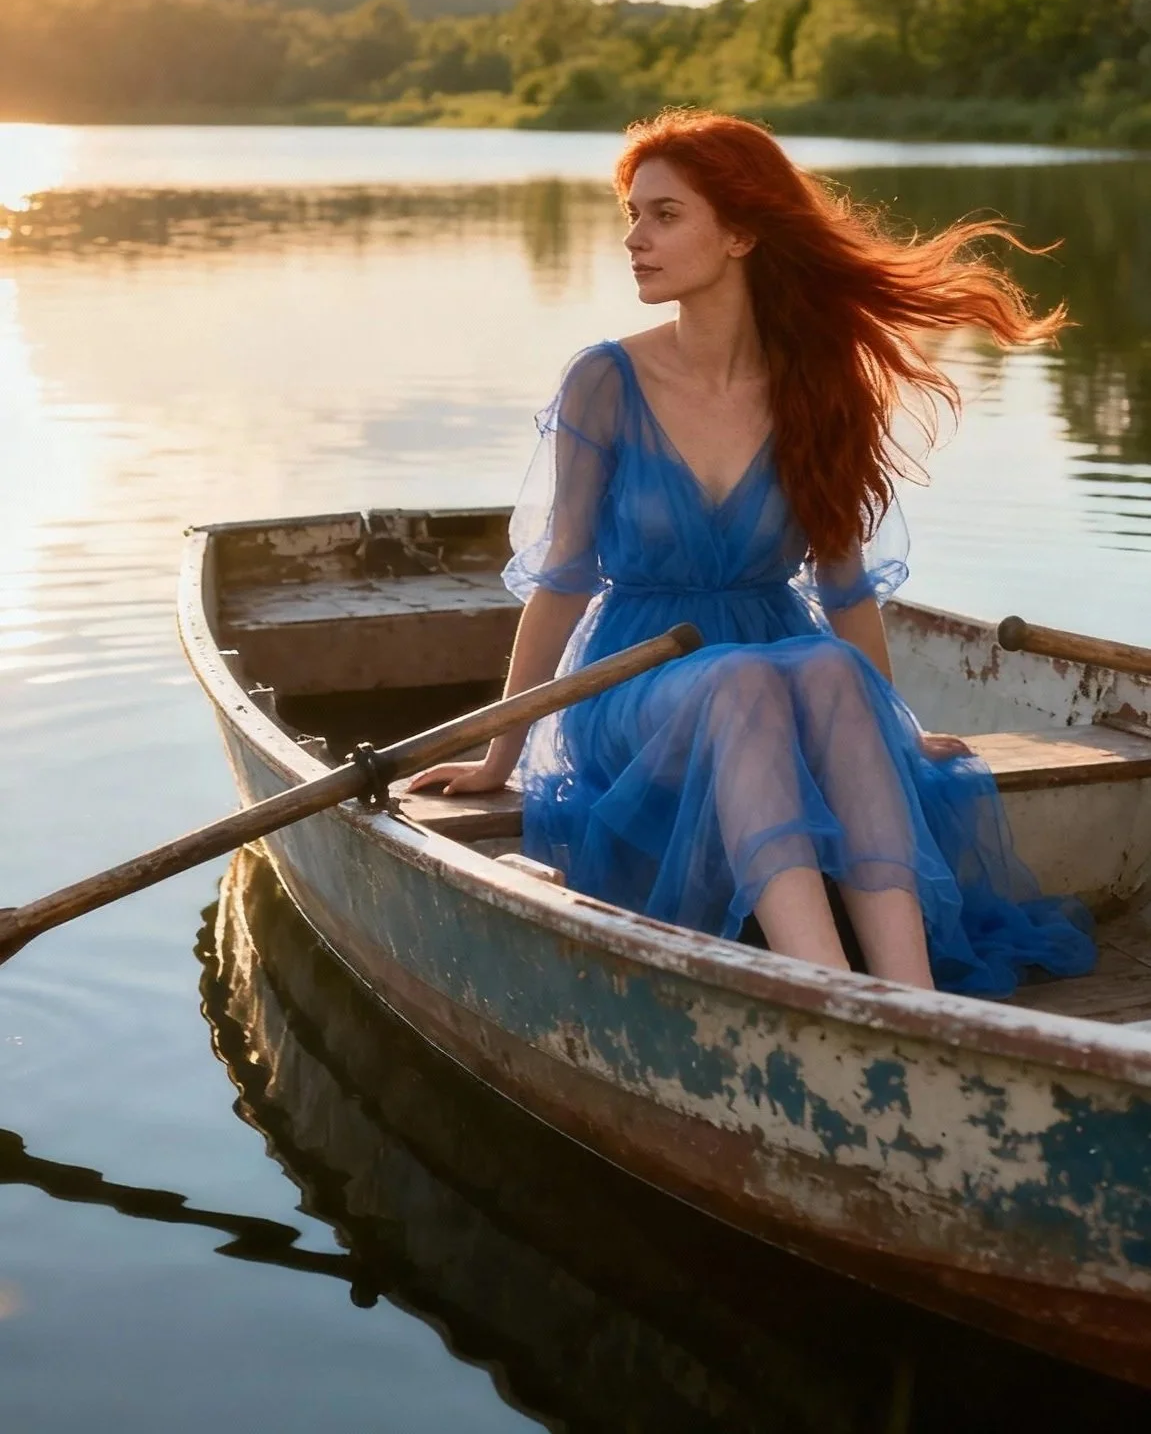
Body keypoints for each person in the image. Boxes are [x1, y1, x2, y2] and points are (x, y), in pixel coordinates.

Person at [410, 110, 1095, 998]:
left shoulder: (820, 378)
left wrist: (901, 731)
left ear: (739, 232)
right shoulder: (605, 380)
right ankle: (828, 991)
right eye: (631, 213)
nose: (633, 239)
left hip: (780, 663)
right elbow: (562, 583)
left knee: (823, 669)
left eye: (663, 215)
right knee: (743, 679)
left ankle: (909, 995)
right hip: (635, 682)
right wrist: (501, 755)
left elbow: (843, 589)